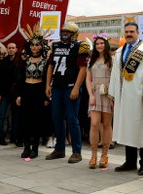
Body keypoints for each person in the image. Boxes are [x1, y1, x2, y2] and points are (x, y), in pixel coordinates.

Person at [108, 21, 143, 176]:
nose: (129, 34)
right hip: (124, 97)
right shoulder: (119, 51)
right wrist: (113, 94)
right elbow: (115, 75)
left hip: (141, 97)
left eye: (132, 31)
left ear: (138, 32)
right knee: (127, 129)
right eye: (127, 32)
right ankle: (130, 162)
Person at [45, 22, 89, 163]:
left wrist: (76, 87)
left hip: (70, 87)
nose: (64, 34)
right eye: (63, 31)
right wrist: (48, 84)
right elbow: (51, 66)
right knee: (56, 119)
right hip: (57, 87)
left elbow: (83, 68)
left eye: (68, 32)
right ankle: (59, 149)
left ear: (74, 34)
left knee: (72, 119)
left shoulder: (79, 46)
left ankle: (77, 152)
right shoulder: (56, 46)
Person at [16, 27, 50, 159]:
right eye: (32, 45)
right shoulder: (25, 61)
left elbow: (47, 79)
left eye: (37, 45)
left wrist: (46, 97)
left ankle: (35, 147)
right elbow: (19, 79)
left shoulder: (45, 62)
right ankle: (26, 147)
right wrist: (19, 94)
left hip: (38, 91)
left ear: (41, 46)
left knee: (36, 120)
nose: (34, 47)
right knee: (25, 120)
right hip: (26, 90)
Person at [85, 35, 113, 169]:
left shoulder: (112, 60)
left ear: (106, 45)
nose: (99, 45)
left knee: (107, 124)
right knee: (94, 124)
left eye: (102, 43)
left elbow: (115, 79)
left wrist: (112, 96)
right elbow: (88, 79)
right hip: (95, 94)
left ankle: (104, 155)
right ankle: (93, 155)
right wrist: (90, 94)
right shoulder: (91, 60)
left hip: (107, 94)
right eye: (97, 44)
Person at [0, 42, 17, 146]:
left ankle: (14, 137)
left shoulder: (20, 62)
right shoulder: (1, 63)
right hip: (4, 93)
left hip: (16, 94)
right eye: (9, 48)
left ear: (16, 49)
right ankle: (1, 137)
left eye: (13, 48)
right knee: (2, 116)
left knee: (15, 116)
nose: (11, 49)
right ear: (7, 49)